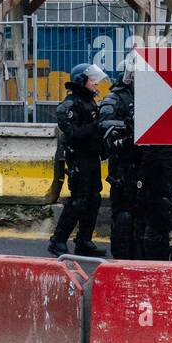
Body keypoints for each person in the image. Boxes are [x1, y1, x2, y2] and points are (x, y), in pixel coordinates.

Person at [48, 62, 109, 257]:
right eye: (92, 80)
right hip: (78, 159)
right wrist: (97, 126)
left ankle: (84, 241)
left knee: (93, 199)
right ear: (81, 81)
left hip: (92, 158)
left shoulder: (90, 101)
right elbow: (73, 133)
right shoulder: (69, 105)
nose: (96, 84)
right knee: (79, 201)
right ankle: (58, 241)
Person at [97, 63, 141, 259]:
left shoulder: (153, 96)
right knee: (124, 214)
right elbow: (103, 123)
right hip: (123, 163)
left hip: (144, 164)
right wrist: (130, 127)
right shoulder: (116, 98)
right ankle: (121, 258)